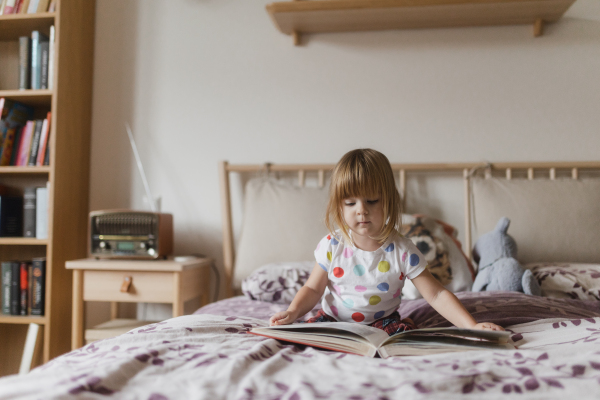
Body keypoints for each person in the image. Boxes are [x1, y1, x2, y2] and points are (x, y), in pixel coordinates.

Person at [270, 148, 504, 335]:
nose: (361, 211)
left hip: (382, 324)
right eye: (350, 203)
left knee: (403, 337)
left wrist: (470, 325)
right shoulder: (333, 245)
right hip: (333, 321)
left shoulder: (403, 251)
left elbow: (436, 295)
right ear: (338, 206)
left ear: (389, 201)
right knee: (306, 337)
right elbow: (312, 289)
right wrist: (292, 312)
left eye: (372, 200)